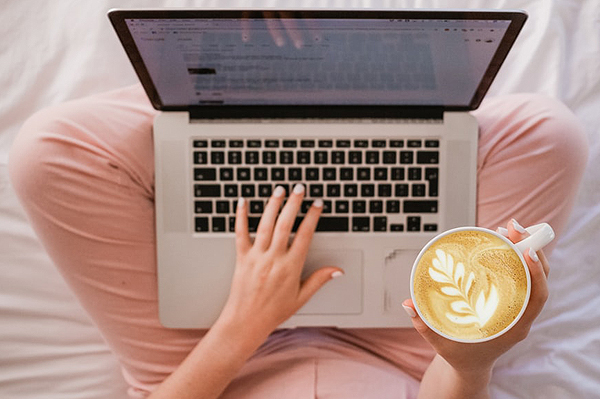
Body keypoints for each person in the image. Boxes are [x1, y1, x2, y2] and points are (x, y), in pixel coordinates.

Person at [8, 84, 588, 398]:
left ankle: (238, 93)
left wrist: (243, 323)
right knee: (549, 133)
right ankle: (368, 97)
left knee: (49, 152)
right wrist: (470, 360)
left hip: (211, 362)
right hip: (409, 361)